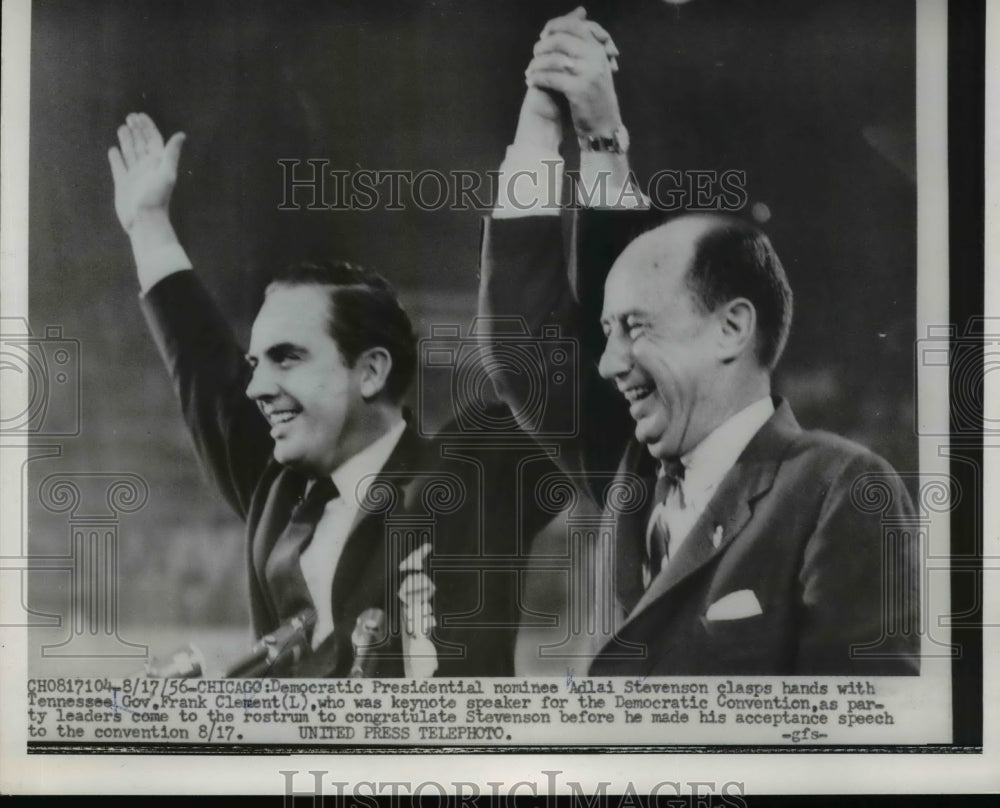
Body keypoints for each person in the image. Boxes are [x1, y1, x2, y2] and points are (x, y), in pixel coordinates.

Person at [478, 9, 919, 675]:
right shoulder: (630, 474)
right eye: (606, 334)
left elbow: (862, 738)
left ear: (732, 328)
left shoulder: (839, 487)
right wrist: (560, 128)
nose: (607, 362)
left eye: (635, 331)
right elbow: (526, 343)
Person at [108, 113, 557, 677]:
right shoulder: (280, 491)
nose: (257, 387)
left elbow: (551, 375)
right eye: (255, 362)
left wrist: (549, 133)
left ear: (369, 373)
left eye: (287, 358)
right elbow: (207, 375)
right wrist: (148, 224)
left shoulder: (473, 476)